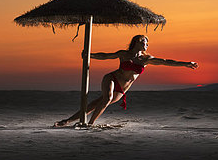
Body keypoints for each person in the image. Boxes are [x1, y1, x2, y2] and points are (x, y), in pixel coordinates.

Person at [54, 34, 198, 127]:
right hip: (112, 78)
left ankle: (67, 121)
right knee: (107, 98)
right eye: (143, 41)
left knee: (96, 103)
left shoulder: (146, 59)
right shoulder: (124, 54)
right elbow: (105, 56)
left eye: (147, 43)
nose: (146, 44)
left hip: (122, 89)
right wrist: (89, 55)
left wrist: (186, 64)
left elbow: (167, 62)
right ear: (136, 42)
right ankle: (89, 124)